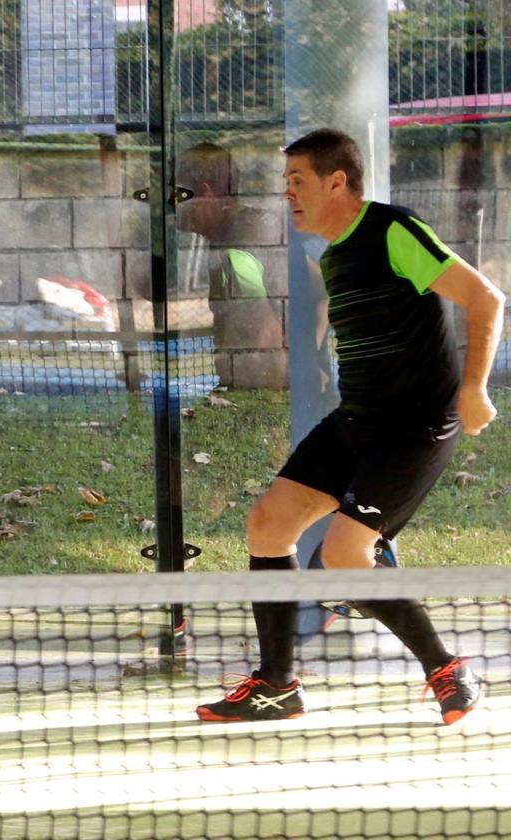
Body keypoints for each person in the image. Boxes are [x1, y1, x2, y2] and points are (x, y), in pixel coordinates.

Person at [196, 128, 505, 726]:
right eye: (285, 183)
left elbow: (485, 298)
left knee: (343, 554)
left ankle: (447, 669)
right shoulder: (333, 253)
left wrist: (473, 388)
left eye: (298, 181)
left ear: (337, 181)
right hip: (359, 418)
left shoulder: (392, 230)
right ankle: (277, 686)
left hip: (414, 428)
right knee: (268, 524)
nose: (288, 194)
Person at [176, 142, 286, 387]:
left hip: (266, 393)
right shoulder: (240, 230)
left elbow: (266, 336)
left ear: (205, 193)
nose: (175, 208)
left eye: (180, 196)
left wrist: (264, 404)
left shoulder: (236, 246)